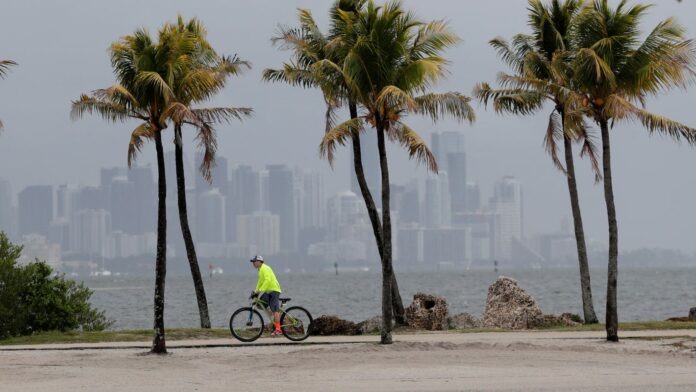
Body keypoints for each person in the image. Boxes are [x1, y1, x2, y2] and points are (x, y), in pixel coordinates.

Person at [249, 255, 283, 336]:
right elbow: (260, 282)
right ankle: (274, 313)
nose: (253, 263)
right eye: (253, 262)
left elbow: (267, 280)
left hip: (274, 290)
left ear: (259, 261)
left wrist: (260, 291)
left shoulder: (265, 268)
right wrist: (255, 291)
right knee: (260, 305)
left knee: (275, 310)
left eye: (254, 261)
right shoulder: (260, 270)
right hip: (268, 291)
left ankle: (278, 329)